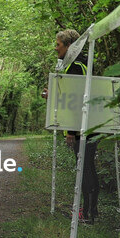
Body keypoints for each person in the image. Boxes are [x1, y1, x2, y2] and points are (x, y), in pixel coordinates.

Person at [45, 28, 99, 224]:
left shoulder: (76, 66)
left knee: (85, 167)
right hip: (91, 123)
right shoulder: (82, 63)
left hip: (83, 125)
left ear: (69, 46)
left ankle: (88, 214)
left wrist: (72, 131)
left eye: (58, 44)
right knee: (87, 166)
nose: (55, 48)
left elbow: (76, 101)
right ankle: (90, 211)